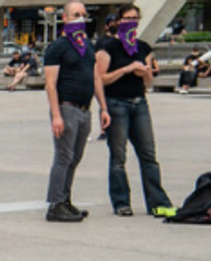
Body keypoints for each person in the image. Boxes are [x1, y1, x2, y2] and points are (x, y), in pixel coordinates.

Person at [96, 3, 174, 218]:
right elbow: (100, 78)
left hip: (139, 102)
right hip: (116, 103)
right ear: (119, 21)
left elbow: (148, 82)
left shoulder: (142, 47)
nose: (131, 23)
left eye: (135, 19)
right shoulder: (108, 47)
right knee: (118, 157)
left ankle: (158, 201)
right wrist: (126, 69)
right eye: (127, 19)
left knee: (148, 155)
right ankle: (121, 202)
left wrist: (145, 73)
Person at [43, 2, 110, 222]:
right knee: (63, 157)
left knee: (75, 157)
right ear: (65, 18)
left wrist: (103, 107)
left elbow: (95, 77)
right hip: (66, 106)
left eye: (83, 15)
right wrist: (56, 114)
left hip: (84, 109)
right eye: (75, 15)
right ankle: (55, 204)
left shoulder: (87, 46)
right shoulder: (58, 47)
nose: (80, 18)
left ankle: (65, 199)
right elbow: (50, 84)